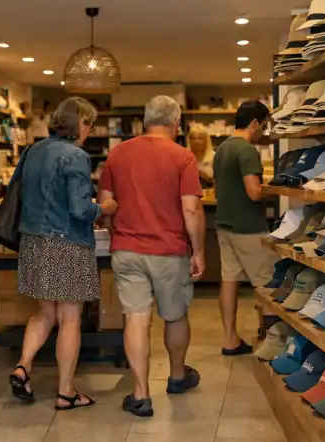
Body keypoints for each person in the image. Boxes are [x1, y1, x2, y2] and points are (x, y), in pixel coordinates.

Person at [99, 95, 205, 418]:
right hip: (168, 251)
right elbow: (191, 208)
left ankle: (141, 394)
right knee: (174, 314)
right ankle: (176, 377)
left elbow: (104, 204)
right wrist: (198, 251)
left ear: (145, 121)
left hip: (127, 250)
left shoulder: (116, 154)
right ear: (177, 123)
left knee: (136, 317)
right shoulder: (183, 157)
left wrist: (114, 229)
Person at [8, 97, 118, 411]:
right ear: (78, 123)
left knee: (44, 312)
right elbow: (80, 209)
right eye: (88, 124)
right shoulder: (76, 156)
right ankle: (66, 392)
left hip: (32, 241)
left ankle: (23, 366)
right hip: (66, 244)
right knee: (70, 317)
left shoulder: (34, 150)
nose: (90, 130)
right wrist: (105, 207)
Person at [212, 100, 279, 356]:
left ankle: (230, 339)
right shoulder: (247, 150)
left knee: (229, 281)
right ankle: (271, 341)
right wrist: (272, 188)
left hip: (224, 223)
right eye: (263, 125)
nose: (263, 130)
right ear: (254, 123)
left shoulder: (223, 149)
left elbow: (219, 190)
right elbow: (253, 192)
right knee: (266, 284)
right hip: (248, 228)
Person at [186, 123, 215, 188]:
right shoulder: (184, 157)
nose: (196, 141)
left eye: (200, 138)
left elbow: (220, 181)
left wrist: (202, 175)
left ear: (206, 140)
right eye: (193, 138)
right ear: (189, 140)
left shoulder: (214, 157)